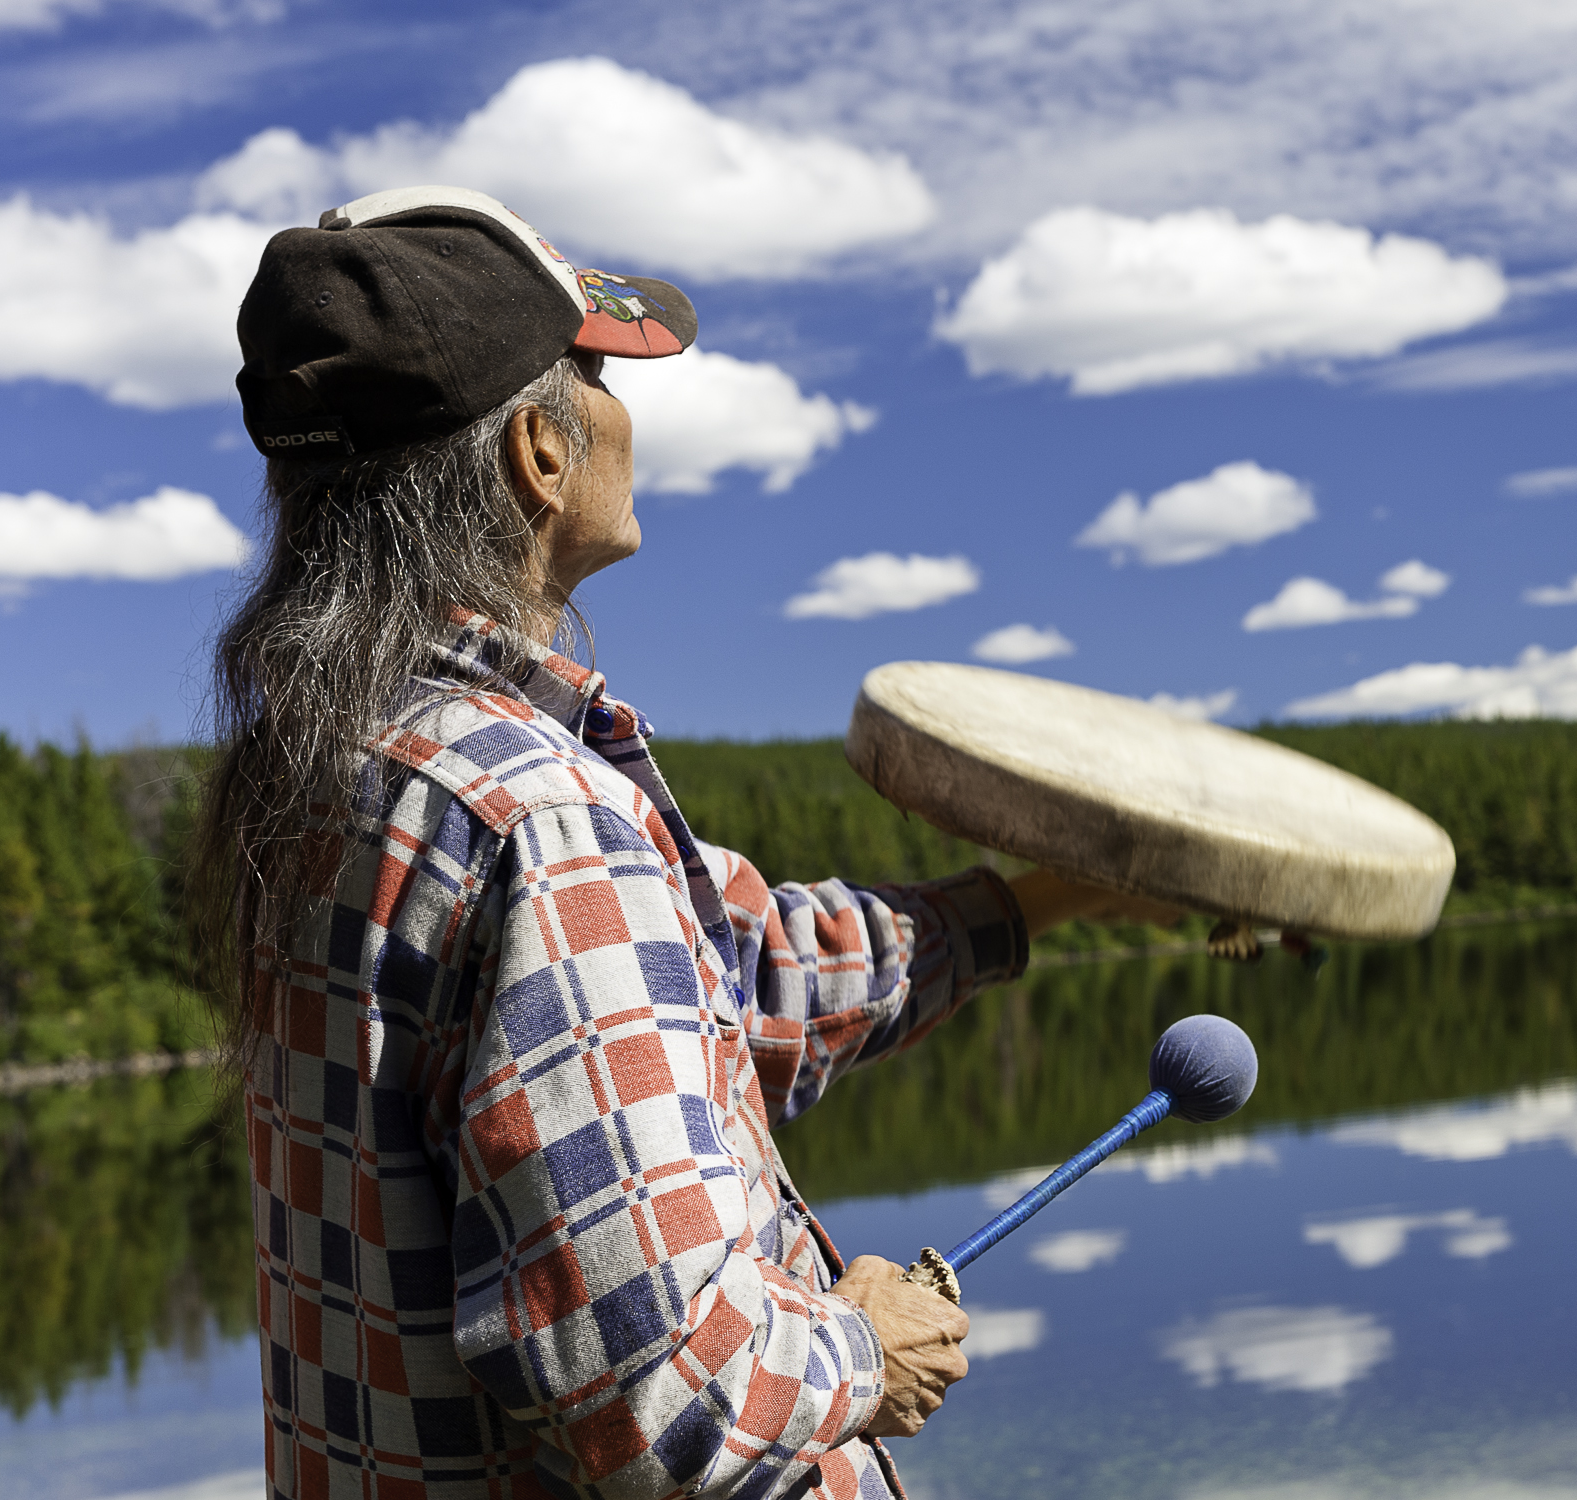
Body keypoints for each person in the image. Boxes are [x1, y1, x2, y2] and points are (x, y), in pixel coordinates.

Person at [195, 186, 1154, 1500]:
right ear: (539, 450)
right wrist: (859, 1345)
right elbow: (667, 1393)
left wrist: (1054, 896)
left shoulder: (328, 775)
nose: (619, 412)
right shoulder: (535, 817)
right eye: (593, 374)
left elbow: (726, 982)